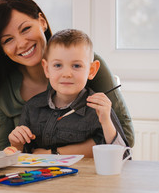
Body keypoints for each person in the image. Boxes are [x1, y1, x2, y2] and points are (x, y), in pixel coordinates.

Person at [0, 0, 134, 152]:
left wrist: (51, 154)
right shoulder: (1, 90)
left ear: (42, 21)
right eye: (8, 40)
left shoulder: (84, 63)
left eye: (25, 29)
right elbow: (5, 153)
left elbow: (125, 138)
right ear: (2, 48)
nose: (21, 43)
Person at [9, 29, 128, 157]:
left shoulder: (99, 109)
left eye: (76, 66)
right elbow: (23, 156)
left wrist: (106, 121)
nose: (66, 74)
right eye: (58, 65)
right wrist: (16, 144)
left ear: (91, 70)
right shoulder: (32, 107)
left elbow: (124, 157)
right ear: (46, 69)